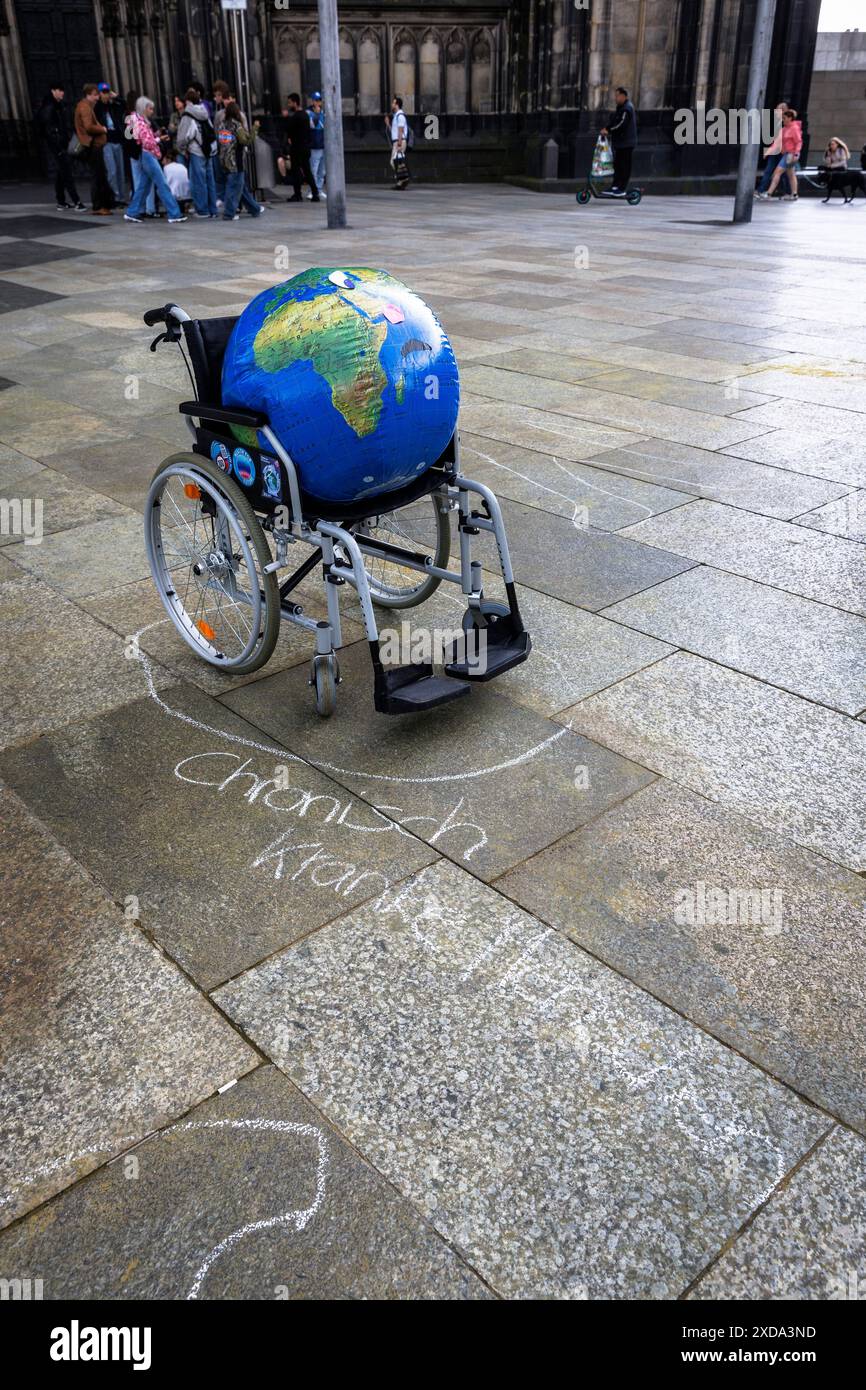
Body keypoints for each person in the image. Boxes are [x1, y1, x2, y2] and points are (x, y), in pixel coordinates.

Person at [123, 97, 187, 223]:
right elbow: (147, 142)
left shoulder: (136, 119)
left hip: (144, 155)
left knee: (144, 186)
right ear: (144, 108)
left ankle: (132, 211)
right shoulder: (140, 122)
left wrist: (156, 136)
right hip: (148, 155)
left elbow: (141, 139)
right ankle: (174, 213)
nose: (152, 111)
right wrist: (159, 139)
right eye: (150, 108)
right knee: (162, 184)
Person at [35, 84, 85, 210]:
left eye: (63, 90)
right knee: (66, 172)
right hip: (58, 146)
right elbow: (50, 131)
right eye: (60, 90)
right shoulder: (49, 107)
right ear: (53, 91)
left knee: (61, 172)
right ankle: (77, 201)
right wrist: (58, 148)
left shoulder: (58, 106)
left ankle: (61, 201)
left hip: (61, 144)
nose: (62, 93)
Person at [73, 83, 115, 215]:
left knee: (99, 175)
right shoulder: (85, 107)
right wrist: (102, 129)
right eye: (96, 95)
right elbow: (88, 127)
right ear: (89, 94)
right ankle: (98, 206)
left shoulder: (86, 106)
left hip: (94, 145)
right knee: (98, 175)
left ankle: (104, 204)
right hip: (93, 146)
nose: (98, 98)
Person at [176, 87, 218, 217]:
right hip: (208, 150)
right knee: (210, 181)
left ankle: (202, 210)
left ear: (187, 101)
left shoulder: (187, 115)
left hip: (196, 151)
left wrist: (183, 149)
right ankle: (213, 209)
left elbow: (182, 138)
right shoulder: (204, 112)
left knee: (198, 182)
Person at [218, 101, 260, 220]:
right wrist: (255, 128)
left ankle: (254, 208)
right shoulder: (236, 125)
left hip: (224, 160)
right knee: (234, 187)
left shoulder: (222, 125)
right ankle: (229, 213)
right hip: (236, 162)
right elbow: (246, 141)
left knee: (240, 188)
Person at [601, 86, 637, 194]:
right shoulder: (620, 107)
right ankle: (615, 186)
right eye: (615, 96)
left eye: (617, 96)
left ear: (623, 96)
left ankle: (622, 188)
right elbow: (614, 121)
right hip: (621, 143)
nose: (615, 98)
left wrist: (609, 130)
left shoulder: (627, 108)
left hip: (626, 143)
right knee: (617, 165)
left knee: (624, 166)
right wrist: (607, 128)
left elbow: (621, 125)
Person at [284, 92, 319, 202]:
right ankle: (315, 193)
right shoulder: (305, 115)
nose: (288, 105)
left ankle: (298, 194)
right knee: (307, 171)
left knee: (296, 171)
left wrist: (285, 118)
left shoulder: (295, 117)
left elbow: (288, 129)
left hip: (297, 147)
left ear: (295, 102)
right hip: (305, 147)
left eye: (290, 103)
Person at [97, 82, 127, 203]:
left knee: (120, 171)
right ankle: (114, 197)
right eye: (104, 93)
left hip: (117, 140)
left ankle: (121, 197)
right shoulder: (98, 107)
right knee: (112, 171)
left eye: (107, 92)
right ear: (99, 94)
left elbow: (124, 105)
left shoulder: (113, 106)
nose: (106, 95)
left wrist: (116, 97)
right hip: (107, 141)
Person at [766, 108, 802, 201]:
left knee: (777, 172)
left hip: (791, 155)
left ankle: (769, 193)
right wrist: (769, 151)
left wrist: (796, 154)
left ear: (790, 118)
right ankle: (794, 194)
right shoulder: (784, 129)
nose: (783, 120)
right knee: (791, 174)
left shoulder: (794, 128)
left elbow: (798, 142)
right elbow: (777, 141)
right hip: (788, 154)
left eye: (785, 118)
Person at [755, 100, 788, 198]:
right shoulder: (778, 122)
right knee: (769, 170)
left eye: (778, 110)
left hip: (782, 151)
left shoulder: (786, 123)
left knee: (783, 173)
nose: (775, 112)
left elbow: (781, 139)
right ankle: (761, 190)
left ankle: (788, 192)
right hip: (776, 151)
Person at [385, 96, 409, 189]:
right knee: (396, 162)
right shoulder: (397, 116)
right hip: (397, 141)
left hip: (400, 142)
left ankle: (403, 179)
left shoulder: (400, 116)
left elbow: (400, 131)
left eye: (393, 103)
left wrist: (399, 144)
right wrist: (388, 124)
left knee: (395, 162)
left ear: (397, 105)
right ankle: (401, 181)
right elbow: (394, 132)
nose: (392, 105)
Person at [307, 91, 326, 199]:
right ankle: (312, 190)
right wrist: (318, 114)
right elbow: (312, 125)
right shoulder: (309, 112)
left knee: (322, 170)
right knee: (313, 169)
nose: (318, 102)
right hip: (314, 144)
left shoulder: (324, 111)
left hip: (323, 144)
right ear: (313, 101)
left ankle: (319, 189)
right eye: (316, 100)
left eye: (319, 100)